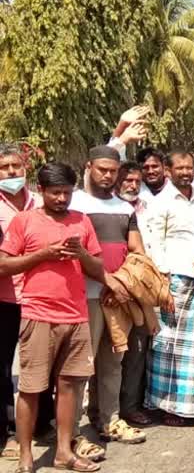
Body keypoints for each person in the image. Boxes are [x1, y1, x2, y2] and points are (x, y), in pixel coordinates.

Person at [0, 162, 109, 473]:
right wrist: (43, 255)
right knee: (32, 388)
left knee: (70, 386)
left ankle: (63, 452)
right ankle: (25, 455)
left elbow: (98, 269)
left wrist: (81, 254)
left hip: (76, 316)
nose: (62, 199)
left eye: (67, 193)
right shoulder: (24, 222)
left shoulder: (82, 221)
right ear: (41, 190)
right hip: (38, 315)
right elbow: (4, 266)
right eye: (55, 193)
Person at [69, 146, 147, 449]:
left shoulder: (126, 209)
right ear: (89, 167)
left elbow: (137, 252)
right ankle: (71, 431)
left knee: (113, 363)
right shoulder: (74, 203)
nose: (107, 175)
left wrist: (122, 286)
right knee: (80, 366)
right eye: (102, 169)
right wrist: (107, 281)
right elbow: (74, 253)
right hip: (82, 298)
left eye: (112, 171)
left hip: (118, 299)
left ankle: (109, 420)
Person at [145, 150, 194, 426]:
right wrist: (162, 283)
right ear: (168, 171)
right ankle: (165, 406)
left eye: (190, 168)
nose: (186, 172)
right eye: (180, 168)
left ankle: (191, 407)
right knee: (166, 346)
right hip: (171, 278)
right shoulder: (160, 202)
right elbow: (154, 242)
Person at [0, 145, 42, 460]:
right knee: (2, 366)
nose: (12, 172)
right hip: (4, 298)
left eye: (16, 165)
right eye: (5, 167)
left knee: (39, 364)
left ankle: (41, 424)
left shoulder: (40, 202)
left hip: (39, 296)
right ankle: (7, 430)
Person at [112, 161, 156, 428]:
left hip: (143, 288)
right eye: (127, 180)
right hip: (113, 287)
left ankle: (130, 407)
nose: (132, 185)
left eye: (136, 181)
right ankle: (106, 411)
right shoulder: (109, 208)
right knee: (112, 352)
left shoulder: (150, 207)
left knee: (138, 350)